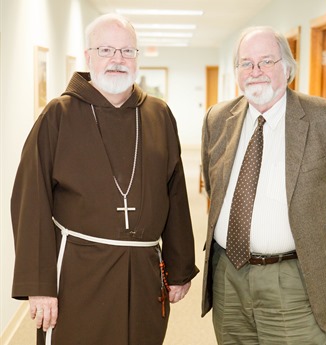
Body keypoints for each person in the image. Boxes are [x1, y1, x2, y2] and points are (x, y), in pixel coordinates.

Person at [11, 13, 199, 345]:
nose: (117, 60)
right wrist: (39, 286)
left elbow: (175, 195)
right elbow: (31, 199)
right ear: (88, 56)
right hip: (77, 273)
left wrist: (180, 266)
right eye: (106, 50)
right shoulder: (59, 115)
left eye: (127, 51)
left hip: (143, 271)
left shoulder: (158, 114)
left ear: (137, 58)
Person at [201, 26, 326, 344]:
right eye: (246, 63)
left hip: (294, 278)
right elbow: (216, 188)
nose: (256, 72)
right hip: (228, 275)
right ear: (236, 71)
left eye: (266, 61)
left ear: (287, 67)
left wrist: (310, 232)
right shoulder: (217, 118)